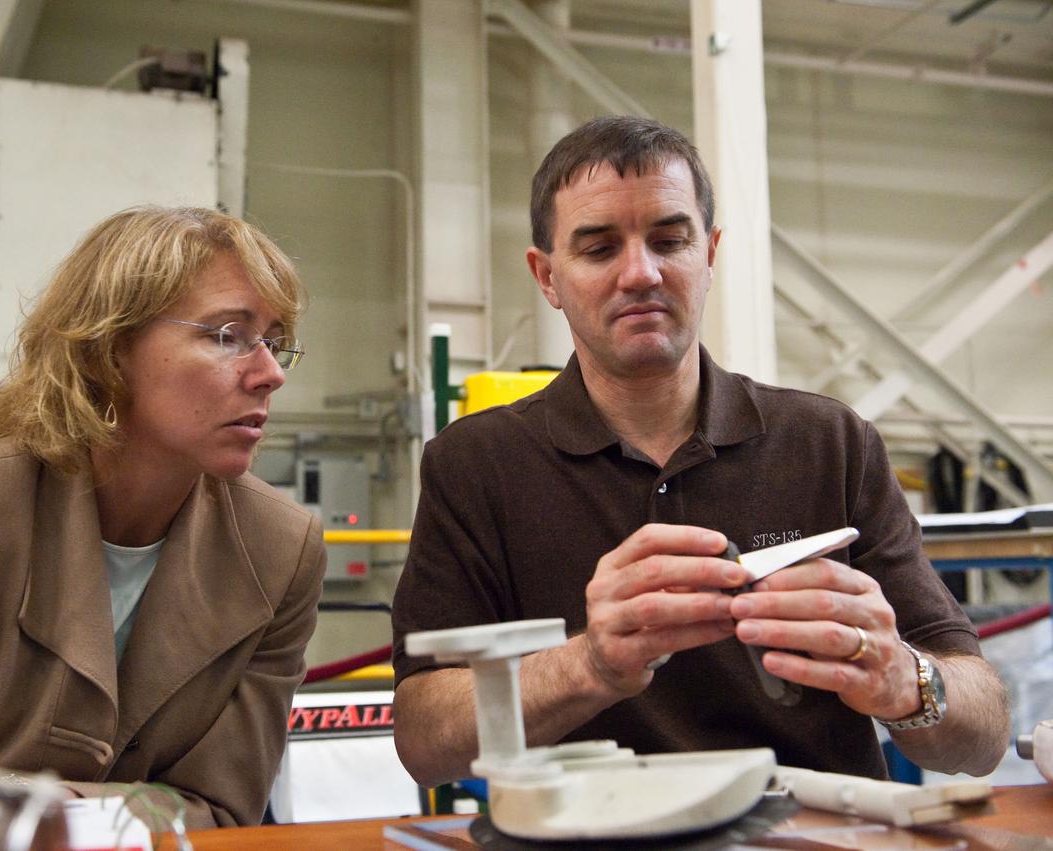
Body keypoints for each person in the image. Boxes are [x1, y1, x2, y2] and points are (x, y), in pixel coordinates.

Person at [391, 117, 1009, 788]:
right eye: (599, 249)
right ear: (547, 276)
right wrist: (588, 664)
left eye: (670, 239)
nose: (641, 272)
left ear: (709, 253)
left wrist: (902, 678)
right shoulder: (475, 465)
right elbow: (425, 740)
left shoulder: (831, 443)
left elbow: (983, 735)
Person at [0, 206, 327, 828]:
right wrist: (123, 810)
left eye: (277, 343)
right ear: (108, 349)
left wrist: (28, 808)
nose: (270, 374)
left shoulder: (281, 547)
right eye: (228, 335)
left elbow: (221, 811)